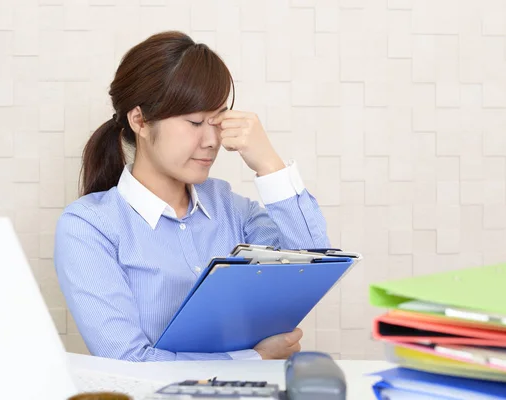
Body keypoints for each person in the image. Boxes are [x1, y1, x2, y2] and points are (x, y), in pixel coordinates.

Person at [54, 31, 331, 362]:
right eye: (196, 122)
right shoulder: (89, 227)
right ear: (140, 120)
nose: (212, 140)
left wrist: (269, 164)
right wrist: (252, 359)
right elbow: (129, 361)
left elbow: (316, 262)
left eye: (218, 122)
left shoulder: (232, 208)